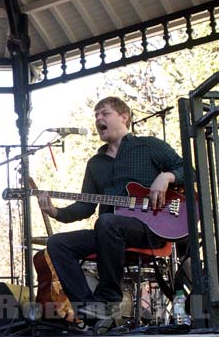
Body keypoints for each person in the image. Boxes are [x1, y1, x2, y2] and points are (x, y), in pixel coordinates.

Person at [36, 97, 184, 320]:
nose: (98, 119)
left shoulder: (149, 146)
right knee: (57, 243)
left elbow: (187, 168)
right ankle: (90, 308)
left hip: (150, 229)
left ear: (124, 117)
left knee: (107, 222)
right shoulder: (95, 164)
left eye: (104, 113)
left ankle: (108, 298)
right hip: (109, 233)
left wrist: (166, 176)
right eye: (96, 115)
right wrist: (54, 211)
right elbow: (85, 208)